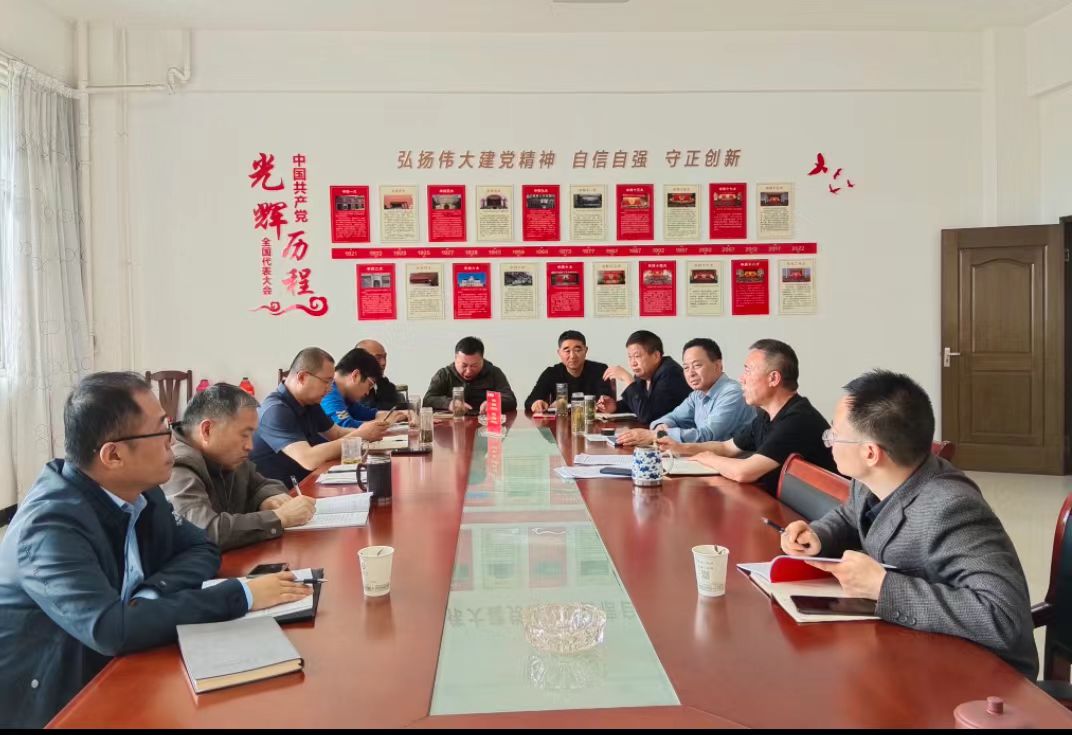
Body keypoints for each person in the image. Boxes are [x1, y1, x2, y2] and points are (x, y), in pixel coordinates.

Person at [0, 373, 310, 728]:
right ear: (114, 455)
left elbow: (202, 546)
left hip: (120, 666)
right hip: (55, 702)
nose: (172, 441)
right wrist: (241, 595)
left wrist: (148, 595)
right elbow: (110, 629)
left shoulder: (141, 491)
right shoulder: (49, 527)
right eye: (161, 431)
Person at [781, 370, 1037, 679]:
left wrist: (883, 588)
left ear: (870, 453)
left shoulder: (951, 508)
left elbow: (1004, 619)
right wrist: (818, 535)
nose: (829, 443)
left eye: (834, 435)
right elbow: (852, 515)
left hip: (979, 674)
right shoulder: (872, 479)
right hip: (914, 644)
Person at [658, 339, 836, 492]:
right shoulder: (765, 416)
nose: (741, 379)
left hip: (814, 518)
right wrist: (680, 448)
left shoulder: (798, 420)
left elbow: (744, 472)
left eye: (748, 370)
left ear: (773, 378)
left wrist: (708, 458)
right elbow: (726, 447)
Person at [163, 383, 317, 550]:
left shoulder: (226, 456)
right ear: (207, 430)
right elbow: (204, 530)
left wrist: (268, 498)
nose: (250, 446)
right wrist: (279, 517)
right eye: (244, 435)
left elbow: (263, 484)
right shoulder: (176, 466)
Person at [250, 347, 384, 487]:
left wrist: (370, 432)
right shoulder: (275, 410)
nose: (330, 388)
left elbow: (336, 433)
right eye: (326, 381)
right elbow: (308, 459)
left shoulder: (309, 402)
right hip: (280, 493)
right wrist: (360, 435)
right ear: (302, 377)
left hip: (306, 482)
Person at [616, 338, 753, 447]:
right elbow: (672, 417)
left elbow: (710, 436)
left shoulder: (732, 393)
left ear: (718, 366)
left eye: (697, 365)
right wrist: (661, 427)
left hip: (738, 465)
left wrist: (657, 435)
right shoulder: (697, 395)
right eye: (686, 367)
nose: (690, 373)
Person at [600, 330, 691, 425]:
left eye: (637, 356)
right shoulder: (644, 374)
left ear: (656, 356)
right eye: (630, 357)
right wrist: (615, 406)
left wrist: (628, 379)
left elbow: (647, 416)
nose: (633, 363)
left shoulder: (670, 373)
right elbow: (639, 403)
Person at [524, 330, 615, 414]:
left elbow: (607, 400)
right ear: (559, 352)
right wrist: (537, 403)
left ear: (586, 350)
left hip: (592, 423)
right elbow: (530, 401)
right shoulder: (551, 373)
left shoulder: (599, 370)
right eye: (567, 351)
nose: (572, 356)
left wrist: (606, 402)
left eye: (577, 350)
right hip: (560, 423)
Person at [425, 336, 517, 414]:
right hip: (453, 424)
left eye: (474, 366)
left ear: (482, 360)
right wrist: (449, 403)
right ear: (455, 359)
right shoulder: (444, 374)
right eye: (464, 365)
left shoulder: (494, 372)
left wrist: (493, 403)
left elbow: (511, 399)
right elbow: (428, 400)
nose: (468, 371)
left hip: (484, 424)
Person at [321, 347, 405, 430]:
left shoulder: (346, 396)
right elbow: (344, 426)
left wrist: (400, 414)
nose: (367, 392)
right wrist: (384, 423)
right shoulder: (329, 391)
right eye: (370, 385)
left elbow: (368, 414)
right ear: (356, 376)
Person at [356, 339, 401, 411]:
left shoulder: (384, 385)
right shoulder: (349, 389)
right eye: (378, 358)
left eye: (384, 357)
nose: (383, 363)